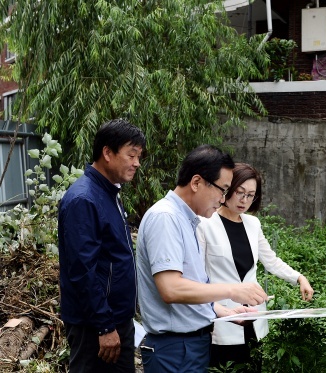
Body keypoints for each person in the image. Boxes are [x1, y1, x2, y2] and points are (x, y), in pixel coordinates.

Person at [136, 145, 268, 373]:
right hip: (175, 349)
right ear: (196, 183)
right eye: (223, 190)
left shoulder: (189, 221)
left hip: (190, 345)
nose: (223, 199)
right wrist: (232, 291)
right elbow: (172, 289)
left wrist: (219, 310)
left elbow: (191, 284)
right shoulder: (166, 218)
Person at [197, 163, 314, 372]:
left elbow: (271, 260)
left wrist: (299, 277)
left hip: (253, 316)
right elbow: (197, 274)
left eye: (251, 195)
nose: (244, 200)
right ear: (227, 190)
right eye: (240, 193)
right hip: (225, 317)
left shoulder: (253, 224)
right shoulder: (206, 223)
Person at [58, 118, 146, 372]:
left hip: (116, 321)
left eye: (138, 156)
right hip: (95, 328)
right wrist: (104, 325)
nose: (136, 163)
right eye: (131, 155)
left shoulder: (109, 193)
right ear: (107, 152)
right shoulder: (84, 199)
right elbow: (82, 270)